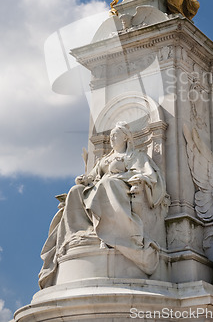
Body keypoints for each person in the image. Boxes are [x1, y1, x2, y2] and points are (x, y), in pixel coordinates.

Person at [39, 122, 166, 288]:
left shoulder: (135, 156)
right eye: (111, 135)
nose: (112, 137)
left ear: (126, 137)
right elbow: (93, 176)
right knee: (76, 191)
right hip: (100, 188)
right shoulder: (106, 159)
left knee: (109, 184)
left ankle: (111, 232)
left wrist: (126, 176)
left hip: (120, 186)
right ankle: (80, 232)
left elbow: (146, 174)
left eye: (116, 135)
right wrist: (84, 180)